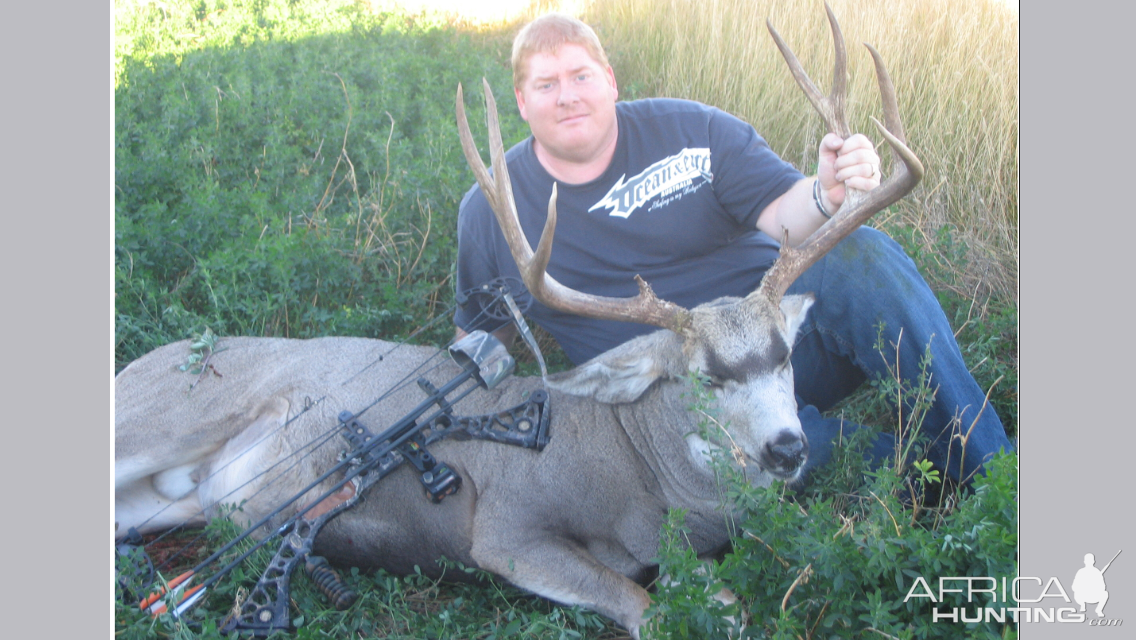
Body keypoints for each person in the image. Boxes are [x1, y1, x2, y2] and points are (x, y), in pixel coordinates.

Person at [453, 13, 1013, 486]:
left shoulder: (690, 128)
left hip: (777, 342)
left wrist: (825, 191)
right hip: (672, 397)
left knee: (861, 255)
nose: (568, 96)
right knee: (788, 452)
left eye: (580, 75)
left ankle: (995, 474)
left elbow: (783, 217)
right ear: (522, 102)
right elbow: (482, 345)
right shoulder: (491, 213)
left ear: (611, 80)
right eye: (547, 85)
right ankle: (927, 477)